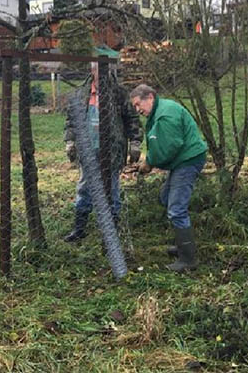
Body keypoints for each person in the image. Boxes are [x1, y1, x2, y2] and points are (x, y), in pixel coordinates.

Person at [130, 83, 207, 272]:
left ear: (150, 97)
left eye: (139, 104)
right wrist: (148, 160)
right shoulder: (159, 111)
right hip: (181, 161)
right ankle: (183, 245)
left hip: (188, 160)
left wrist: (149, 163)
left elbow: (169, 147)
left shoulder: (165, 115)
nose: (138, 110)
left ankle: (188, 260)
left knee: (177, 210)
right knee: (165, 198)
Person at [62, 62, 142, 242]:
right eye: (100, 69)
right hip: (88, 151)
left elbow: (132, 119)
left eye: (108, 70)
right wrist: (70, 141)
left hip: (112, 152)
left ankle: (112, 232)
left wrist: (135, 143)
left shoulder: (119, 94)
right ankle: (79, 229)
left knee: (112, 190)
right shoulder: (81, 93)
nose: (104, 74)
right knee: (84, 189)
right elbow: (71, 120)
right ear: (92, 70)